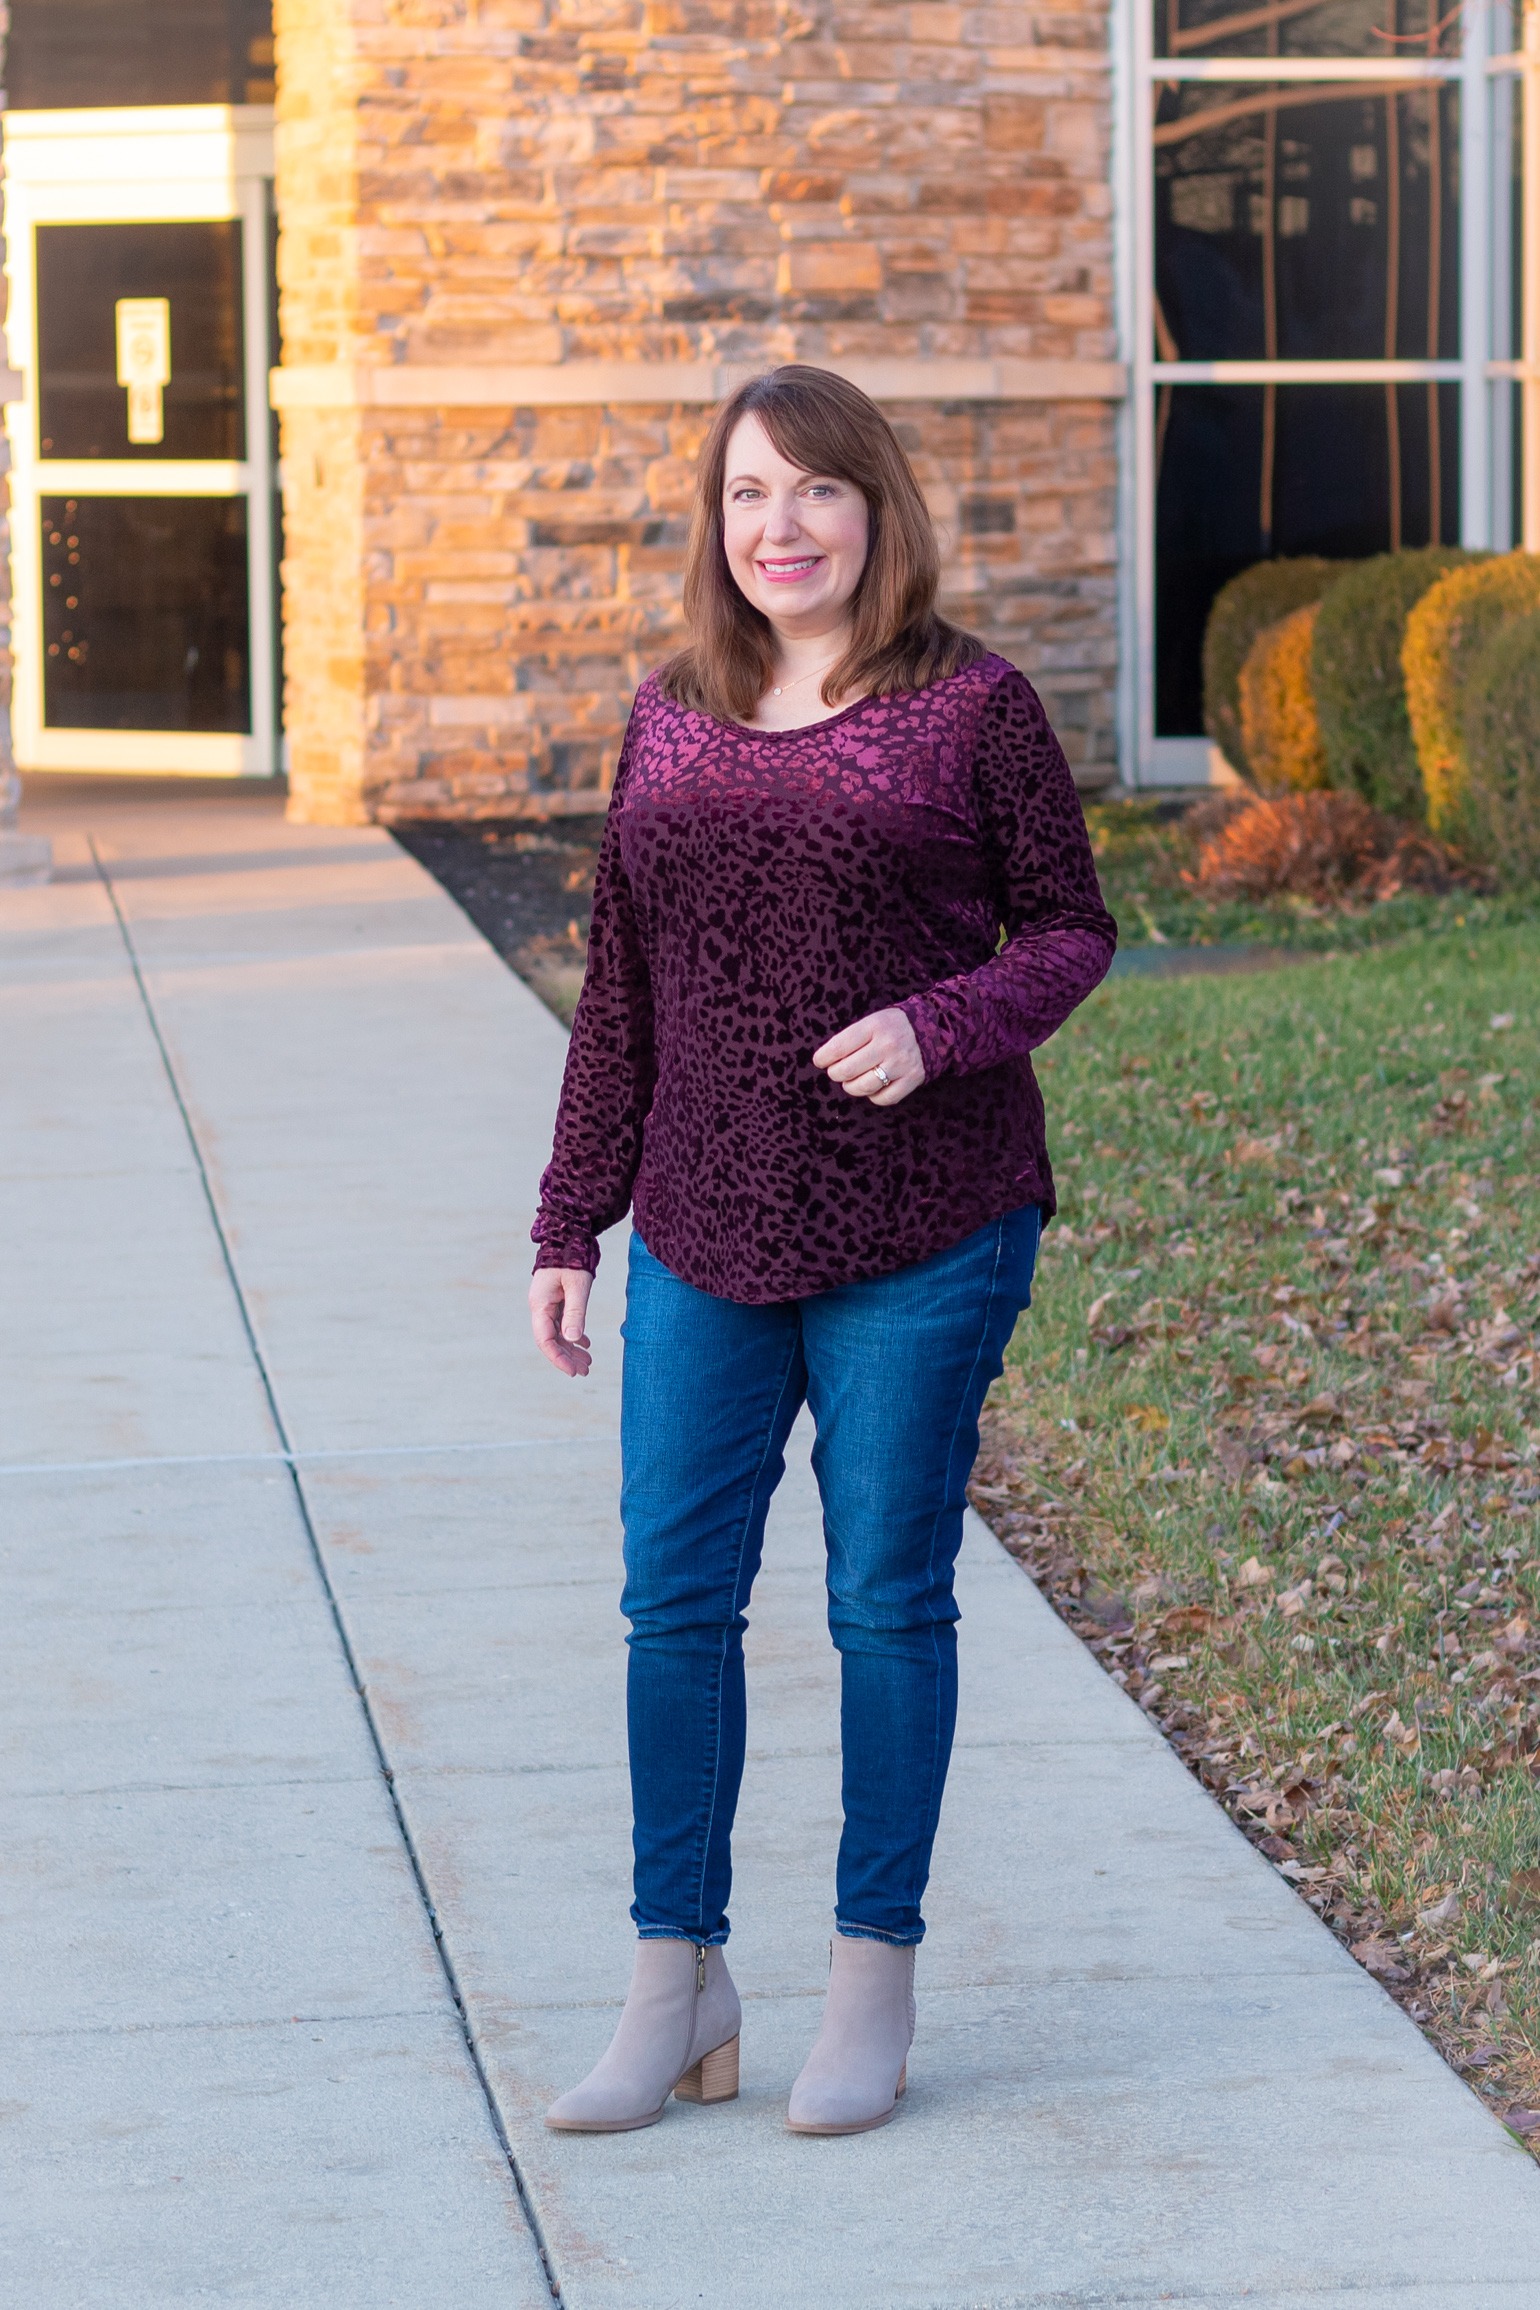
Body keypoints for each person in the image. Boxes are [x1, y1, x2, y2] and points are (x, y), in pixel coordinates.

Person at [529, 364, 1116, 2138]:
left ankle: (872, 1977)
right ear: (716, 530)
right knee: (672, 1607)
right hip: (706, 1220)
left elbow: (1075, 930)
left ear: (877, 508)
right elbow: (622, 987)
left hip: (924, 1227)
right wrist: (572, 1218)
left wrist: (945, 1023)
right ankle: (675, 1980)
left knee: (882, 1603)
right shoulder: (672, 715)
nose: (777, 527)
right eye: (743, 497)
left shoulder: (971, 708)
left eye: (813, 492)